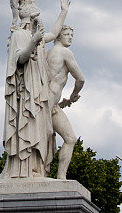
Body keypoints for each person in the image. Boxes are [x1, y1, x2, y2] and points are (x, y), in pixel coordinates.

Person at [0, 0, 69, 178]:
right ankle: (24, 170)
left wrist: (63, 11)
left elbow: (54, 34)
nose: (33, 3)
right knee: (28, 128)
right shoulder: (19, 35)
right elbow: (20, 59)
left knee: (41, 131)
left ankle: (37, 169)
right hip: (25, 94)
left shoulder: (32, 35)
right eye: (30, 0)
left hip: (38, 92)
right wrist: (33, 40)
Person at [45, 25, 85, 179]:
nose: (70, 37)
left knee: (69, 139)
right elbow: (80, 79)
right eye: (67, 34)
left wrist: (65, 101)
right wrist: (74, 95)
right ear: (58, 36)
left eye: (72, 35)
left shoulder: (49, 53)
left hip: (51, 104)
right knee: (68, 139)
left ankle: (58, 176)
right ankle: (60, 176)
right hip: (48, 105)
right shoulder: (65, 52)